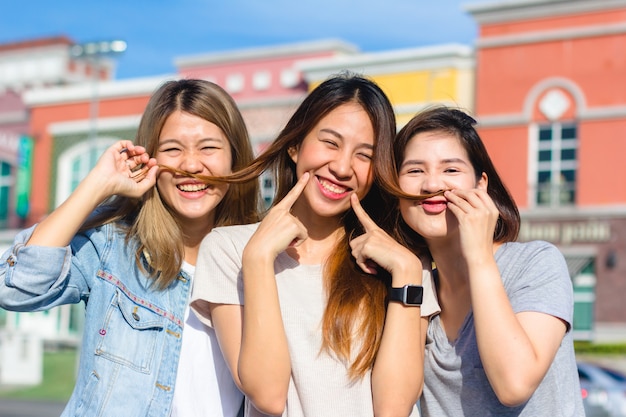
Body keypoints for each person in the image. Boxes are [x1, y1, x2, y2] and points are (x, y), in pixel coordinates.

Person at [0, 79, 259, 417]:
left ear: (235, 158)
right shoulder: (112, 247)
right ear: (150, 158)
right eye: (172, 149)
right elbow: (15, 287)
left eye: (208, 148)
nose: (191, 165)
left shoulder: (261, 257)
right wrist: (96, 186)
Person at [190, 72, 439, 417]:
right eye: (331, 143)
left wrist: (409, 274)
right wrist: (260, 259)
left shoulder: (402, 263)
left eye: (364, 155)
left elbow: (394, 408)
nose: (341, 167)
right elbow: (268, 395)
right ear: (295, 146)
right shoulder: (232, 249)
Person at [377, 105, 584, 416]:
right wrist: (410, 272)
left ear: (481, 185)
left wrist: (478, 254)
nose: (432, 185)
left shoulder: (536, 263)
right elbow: (390, 409)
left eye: (451, 170)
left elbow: (514, 384)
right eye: (415, 170)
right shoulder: (411, 286)